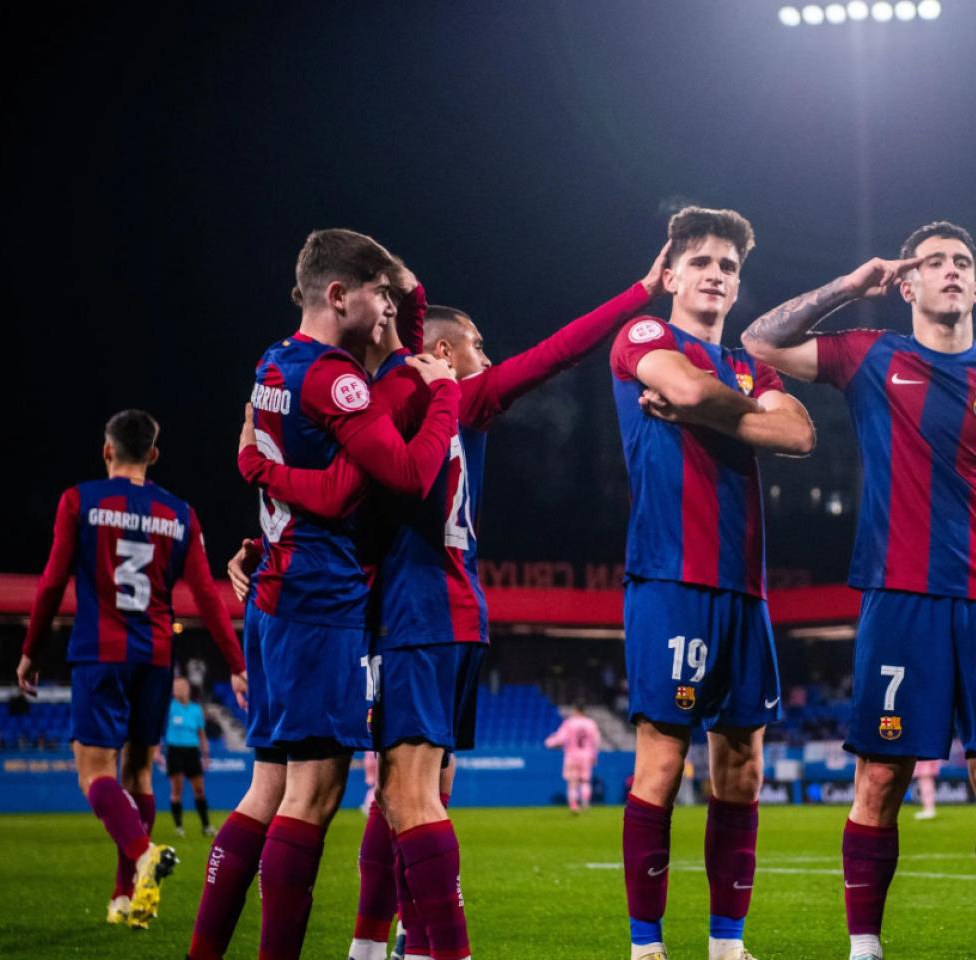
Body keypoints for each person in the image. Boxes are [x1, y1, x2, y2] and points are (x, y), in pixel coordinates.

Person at [232, 239, 670, 960]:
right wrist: (637, 293)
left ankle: (420, 950)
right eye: (476, 345)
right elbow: (554, 352)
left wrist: (264, 519)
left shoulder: (405, 400)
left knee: (397, 793)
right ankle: (384, 946)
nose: (490, 360)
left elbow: (345, 497)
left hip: (413, 613)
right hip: (445, 612)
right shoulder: (440, 397)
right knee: (411, 789)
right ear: (437, 347)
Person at [742, 220, 976, 960]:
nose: (951, 271)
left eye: (963, 262)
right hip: (898, 599)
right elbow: (759, 343)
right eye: (934, 262)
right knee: (881, 777)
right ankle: (865, 949)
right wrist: (848, 285)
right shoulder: (869, 355)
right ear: (907, 284)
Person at [187, 228, 459, 960]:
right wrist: (445, 403)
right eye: (375, 292)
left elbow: (297, 463)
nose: (388, 308)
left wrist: (254, 464)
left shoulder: (271, 362)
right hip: (318, 599)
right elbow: (389, 480)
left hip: (275, 590)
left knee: (266, 789)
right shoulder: (334, 378)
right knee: (312, 795)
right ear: (340, 295)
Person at [610, 206, 815, 960]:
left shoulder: (752, 366)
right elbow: (685, 392)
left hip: (746, 589)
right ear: (669, 276)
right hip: (671, 577)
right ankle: (647, 946)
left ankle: (727, 945)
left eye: (728, 266)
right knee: (661, 762)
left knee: (742, 764)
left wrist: (711, 407)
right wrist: (731, 409)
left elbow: (798, 433)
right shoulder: (641, 337)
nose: (716, 275)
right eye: (700, 262)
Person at [15, 410, 247, 929]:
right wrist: (235, 663)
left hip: (100, 654)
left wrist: (31, 650)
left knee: (95, 773)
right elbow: (207, 595)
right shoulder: (179, 513)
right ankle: (125, 898)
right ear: (154, 456)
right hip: (156, 657)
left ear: (107, 451)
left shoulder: (80, 501)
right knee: (139, 773)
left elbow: (52, 583)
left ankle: (143, 855)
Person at [162, 676, 211, 837]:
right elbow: (158, 730)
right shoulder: (169, 708)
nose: (180, 689)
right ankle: (179, 827)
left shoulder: (196, 709)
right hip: (175, 750)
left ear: (188, 689)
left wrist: (205, 754)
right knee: (177, 790)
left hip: (192, 751)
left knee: (199, 789)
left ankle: (206, 826)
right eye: (176, 687)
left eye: (183, 686)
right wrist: (156, 751)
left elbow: (201, 733)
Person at [546, 707, 603, 813]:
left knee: (573, 781)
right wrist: (594, 756)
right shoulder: (591, 723)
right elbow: (596, 741)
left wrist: (549, 742)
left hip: (572, 755)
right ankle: (585, 804)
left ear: (576, 710)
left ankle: (574, 805)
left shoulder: (570, 723)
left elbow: (561, 738)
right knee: (585, 781)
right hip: (586, 755)